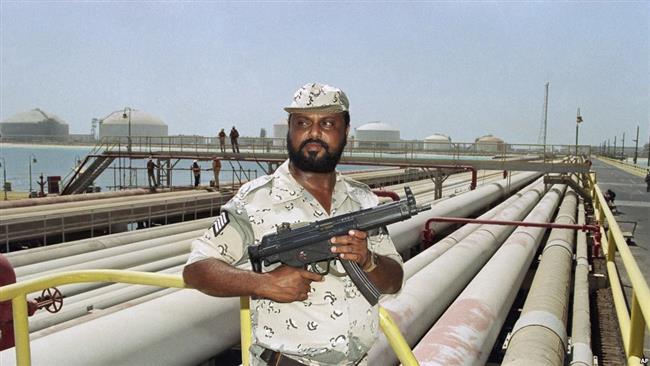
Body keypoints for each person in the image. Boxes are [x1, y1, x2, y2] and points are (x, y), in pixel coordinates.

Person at [183, 83, 403, 366]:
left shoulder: (364, 201)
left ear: (345, 131)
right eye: (302, 123)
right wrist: (263, 283)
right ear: (290, 129)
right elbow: (197, 269)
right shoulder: (255, 200)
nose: (313, 133)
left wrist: (368, 261)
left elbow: (394, 281)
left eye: (327, 123)